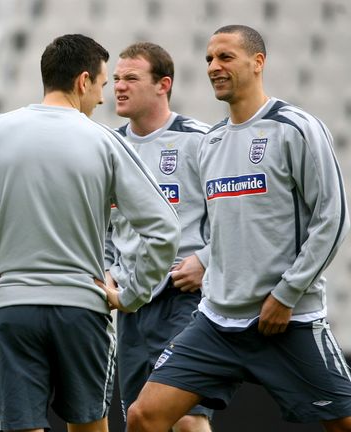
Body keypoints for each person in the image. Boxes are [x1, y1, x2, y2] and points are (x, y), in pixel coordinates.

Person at [0, 34, 181, 432]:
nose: (102, 98)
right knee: (89, 426)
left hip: (12, 306)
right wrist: (132, 295)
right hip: (83, 307)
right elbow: (163, 230)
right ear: (82, 81)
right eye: (102, 86)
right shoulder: (105, 141)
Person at [124, 25, 351, 431]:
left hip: (287, 318)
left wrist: (286, 294)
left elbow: (333, 218)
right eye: (209, 59)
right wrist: (207, 263)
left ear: (257, 62)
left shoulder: (295, 127)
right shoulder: (210, 142)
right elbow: (222, 228)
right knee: (143, 416)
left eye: (225, 57)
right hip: (216, 322)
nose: (214, 67)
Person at [106, 42, 212, 432]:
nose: (118, 86)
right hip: (130, 306)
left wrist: (206, 260)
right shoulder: (108, 146)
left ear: (162, 84)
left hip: (183, 296)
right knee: (140, 418)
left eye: (131, 78)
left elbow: (232, 218)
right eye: (116, 79)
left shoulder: (201, 141)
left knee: (185, 416)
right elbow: (101, 225)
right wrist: (105, 270)